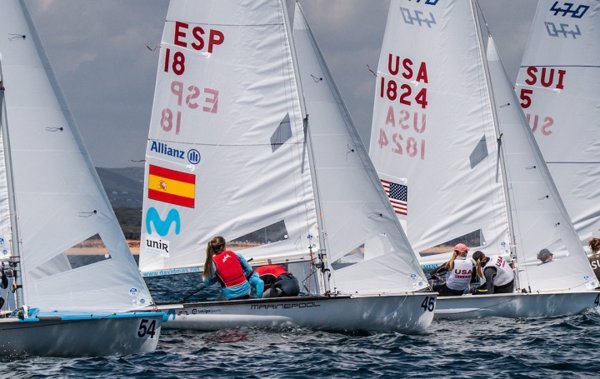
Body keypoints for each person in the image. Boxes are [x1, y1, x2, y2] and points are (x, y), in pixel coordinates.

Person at [202, 236, 264, 300]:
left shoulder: (212, 263)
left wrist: (217, 279)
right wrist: (241, 276)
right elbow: (249, 270)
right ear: (224, 246)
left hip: (230, 295)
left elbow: (207, 283)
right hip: (246, 291)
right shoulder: (236, 255)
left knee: (218, 299)